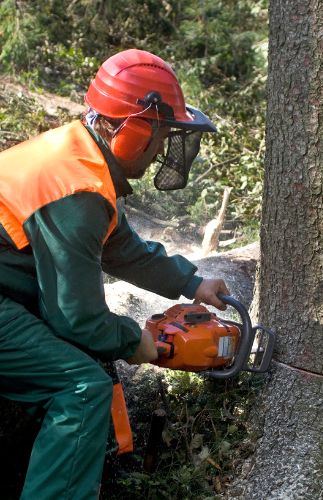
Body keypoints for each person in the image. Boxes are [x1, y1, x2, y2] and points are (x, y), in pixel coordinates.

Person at [0, 48, 230, 499]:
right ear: (133, 130)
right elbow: (77, 318)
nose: (164, 148)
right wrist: (139, 344)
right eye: (162, 135)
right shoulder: (77, 189)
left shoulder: (78, 158)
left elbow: (122, 248)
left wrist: (193, 283)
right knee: (83, 387)